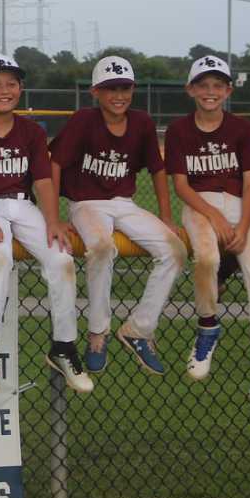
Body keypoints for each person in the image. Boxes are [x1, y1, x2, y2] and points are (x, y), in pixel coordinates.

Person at [0, 55, 92, 396]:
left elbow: (44, 182)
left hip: (22, 204)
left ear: (21, 88)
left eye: (11, 83)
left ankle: (64, 346)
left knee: (61, 259)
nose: (5, 90)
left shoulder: (31, 130)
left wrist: (53, 220)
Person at [165, 54, 250, 417]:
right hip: (200, 204)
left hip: (239, 205)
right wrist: (216, 217)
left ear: (229, 90)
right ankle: (207, 327)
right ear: (191, 90)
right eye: (203, 85)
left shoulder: (240, 128)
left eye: (218, 85)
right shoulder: (179, 130)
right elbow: (181, 186)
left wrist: (242, 223)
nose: (210, 92)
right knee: (206, 258)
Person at [49, 56, 185, 376]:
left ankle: (139, 328)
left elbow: (157, 168)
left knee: (175, 250)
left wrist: (166, 216)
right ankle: (98, 333)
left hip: (124, 202)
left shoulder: (142, 123)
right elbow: (54, 164)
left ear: (133, 89)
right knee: (100, 247)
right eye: (110, 89)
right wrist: (53, 216)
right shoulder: (84, 120)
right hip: (87, 203)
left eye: (124, 87)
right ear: (95, 92)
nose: (118, 95)